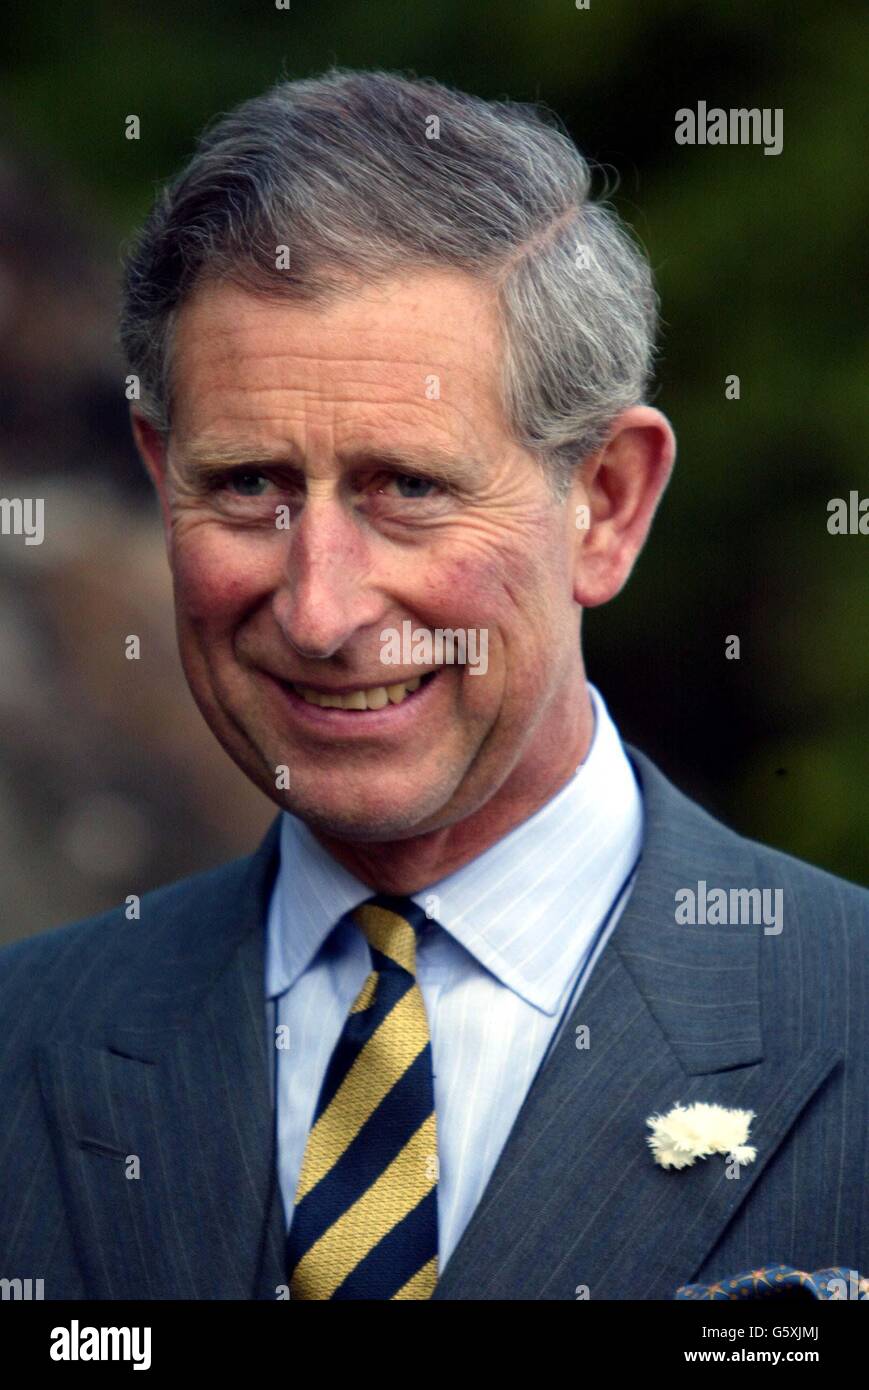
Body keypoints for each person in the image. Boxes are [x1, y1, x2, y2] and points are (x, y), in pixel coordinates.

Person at [1, 69, 865, 1301]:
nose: (320, 606)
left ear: (605, 504)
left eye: (408, 488)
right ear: (158, 473)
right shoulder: (23, 1049)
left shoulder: (846, 1018)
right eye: (247, 484)